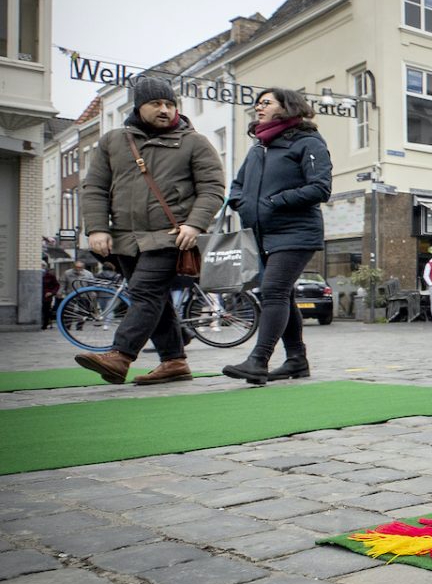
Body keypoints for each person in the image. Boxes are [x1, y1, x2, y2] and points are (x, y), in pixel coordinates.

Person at [75, 76, 226, 386]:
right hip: (126, 239)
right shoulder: (113, 141)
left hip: (171, 236)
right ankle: (174, 361)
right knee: (156, 300)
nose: (165, 110)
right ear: (139, 106)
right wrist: (98, 228)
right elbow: (95, 188)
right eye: (157, 103)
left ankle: (120, 355)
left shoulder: (194, 142)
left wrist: (195, 224)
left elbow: (212, 188)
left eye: (170, 104)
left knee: (143, 292)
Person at [220, 88, 331, 384]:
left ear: (287, 107)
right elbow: (237, 184)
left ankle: (258, 360)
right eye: (257, 103)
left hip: (296, 231)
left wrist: (275, 201)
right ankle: (296, 360)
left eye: (266, 103)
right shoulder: (259, 147)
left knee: (273, 291)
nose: (258, 107)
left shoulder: (308, 142)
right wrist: (238, 202)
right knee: (283, 295)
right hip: (262, 233)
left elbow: (321, 187)